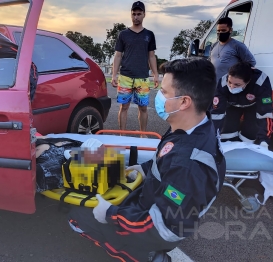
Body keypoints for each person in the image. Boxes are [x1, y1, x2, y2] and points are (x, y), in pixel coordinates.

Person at [68, 58, 226, 262]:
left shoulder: (187, 164)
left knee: (77, 216)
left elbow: (162, 224)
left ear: (184, 102)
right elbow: (165, 158)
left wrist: (110, 214)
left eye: (165, 92)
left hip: (162, 227)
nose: (157, 96)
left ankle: (146, 256)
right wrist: (144, 168)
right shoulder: (191, 126)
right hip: (156, 197)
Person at [111, 1, 158, 137]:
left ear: (144, 15)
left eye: (139, 14)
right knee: (124, 107)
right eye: (134, 14)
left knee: (143, 107)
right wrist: (114, 75)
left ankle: (143, 135)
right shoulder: (123, 34)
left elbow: (152, 56)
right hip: (125, 76)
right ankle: (122, 135)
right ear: (131, 15)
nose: (136, 17)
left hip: (142, 77)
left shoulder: (149, 34)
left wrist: (155, 74)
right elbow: (118, 55)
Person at [211, 62, 273, 149]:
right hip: (232, 105)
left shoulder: (261, 82)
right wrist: (211, 135)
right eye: (230, 82)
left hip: (253, 106)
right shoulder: (222, 84)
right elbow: (217, 113)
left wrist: (264, 139)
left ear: (248, 82)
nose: (231, 87)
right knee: (227, 131)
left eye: (237, 85)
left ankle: (244, 150)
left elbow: (265, 112)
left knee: (250, 133)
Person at [210, 17, 256, 82]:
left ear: (230, 30)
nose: (220, 33)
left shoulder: (237, 46)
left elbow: (251, 62)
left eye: (223, 30)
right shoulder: (213, 45)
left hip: (230, 87)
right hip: (215, 87)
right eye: (218, 31)